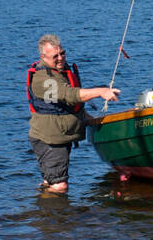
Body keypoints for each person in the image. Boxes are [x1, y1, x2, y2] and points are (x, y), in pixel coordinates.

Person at [26, 34, 119, 194]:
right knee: (59, 186)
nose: (60, 58)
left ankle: (47, 212)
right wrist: (101, 91)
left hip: (60, 135)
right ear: (43, 57)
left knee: (52, 181)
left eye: (62, 53)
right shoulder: (44, 79)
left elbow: (64, 106)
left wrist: (88, 118)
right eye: (55, 56)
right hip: (49, 139)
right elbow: (68, 94)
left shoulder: (61, 71)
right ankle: (53, 216)